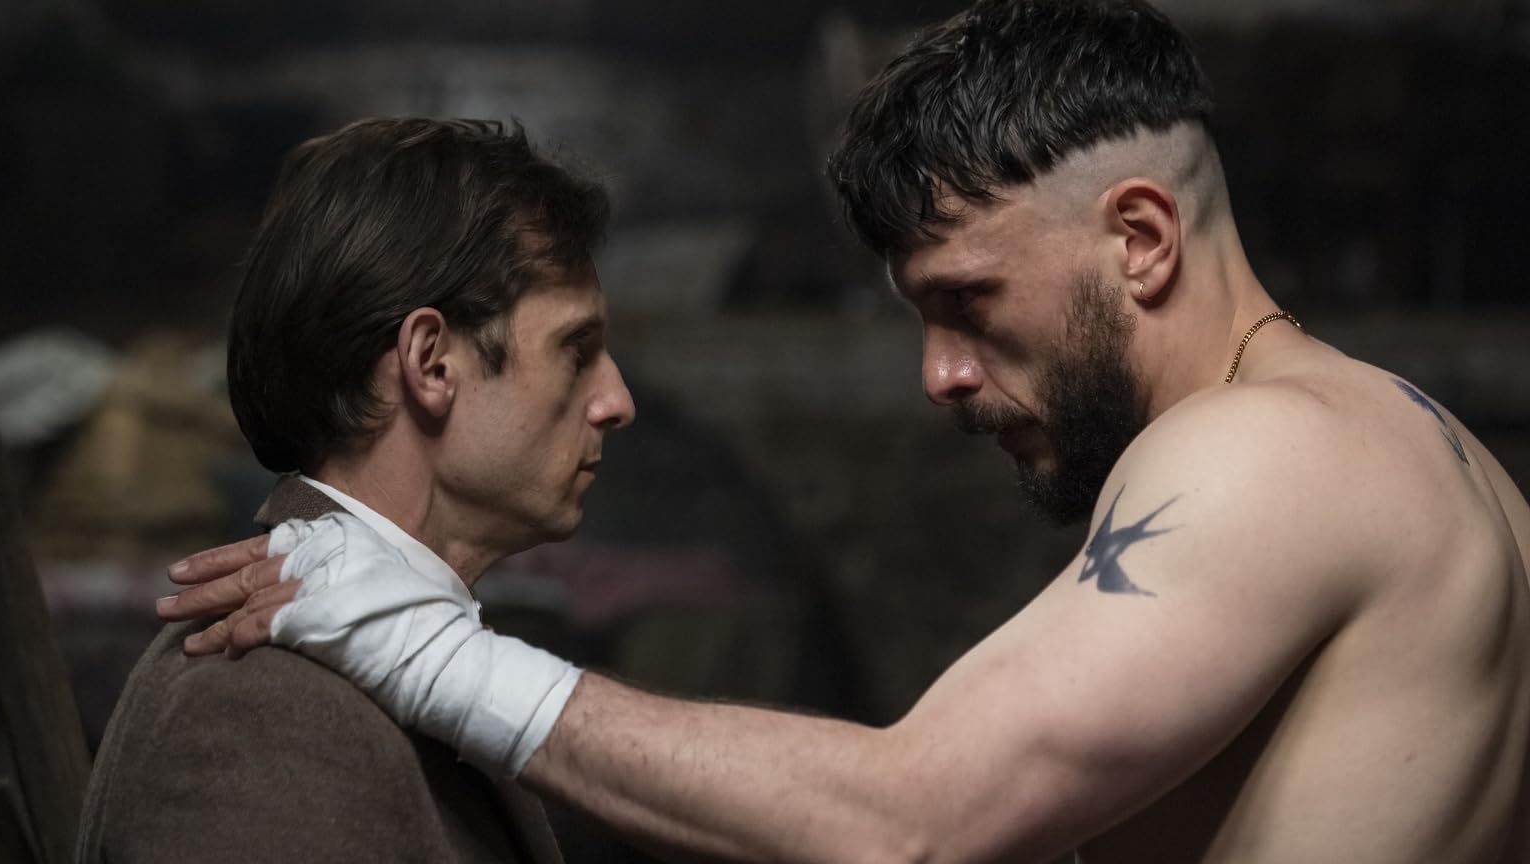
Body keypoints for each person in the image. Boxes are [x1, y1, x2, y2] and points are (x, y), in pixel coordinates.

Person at [160, 1, 1530, 860]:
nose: (938, 374)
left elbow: (908, 819)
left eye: (969, 301)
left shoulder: (1262, 454)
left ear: (1139, 237)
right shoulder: (1429, 457)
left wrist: (423, 649)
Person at [78, 117, 635, 863]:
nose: (617, 402)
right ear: (431, 364)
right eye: (576, 349)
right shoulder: (259, 704)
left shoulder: (363, 658)